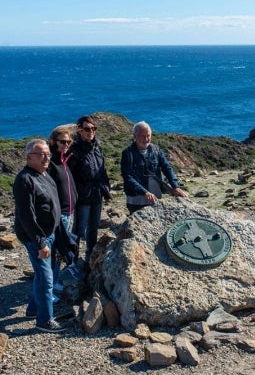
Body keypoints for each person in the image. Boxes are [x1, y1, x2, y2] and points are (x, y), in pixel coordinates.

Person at [13, 139, 66, 332]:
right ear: (29, 157)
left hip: (49, 235)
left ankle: (34, 308)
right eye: (40, 154)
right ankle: (45, 320)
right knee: (46, 277)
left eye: (48, 154)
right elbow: (26, 216)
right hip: (36, 237)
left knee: (43, 274)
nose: (46, 158)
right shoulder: (24, 179)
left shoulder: (44, 175)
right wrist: (41, 243)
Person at [121, 121, 188, 214]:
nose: (146, 139)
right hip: (136, 201)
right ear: (134, 136)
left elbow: (167, 167)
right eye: (142, 136)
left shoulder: (156, 150)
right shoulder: (127, 154)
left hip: (156, 198)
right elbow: (128, 177)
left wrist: (175, 186)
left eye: (148, 135)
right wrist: (144, 192)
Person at [68, 115, 111, 262]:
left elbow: (102, 169)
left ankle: (90, 258)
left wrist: (106, 188)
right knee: (79, 229)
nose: (91, 131)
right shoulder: (74, 151)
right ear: (79, 131)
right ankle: (72, 260)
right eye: (87, 129)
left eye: (93, 128)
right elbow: (70, 176)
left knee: (93, 229)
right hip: (82, 195)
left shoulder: (97, 147)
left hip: (97, 193)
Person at [47, 125, 82, 283]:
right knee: (57, 251)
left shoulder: (64, 160)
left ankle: (55, 281)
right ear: (53, 142)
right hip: (59, 215)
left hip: (68, 212)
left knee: (61, 250)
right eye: (62, 142)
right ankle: (52, 284)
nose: (66, 144)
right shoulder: (51, 163)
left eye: (68, 142)